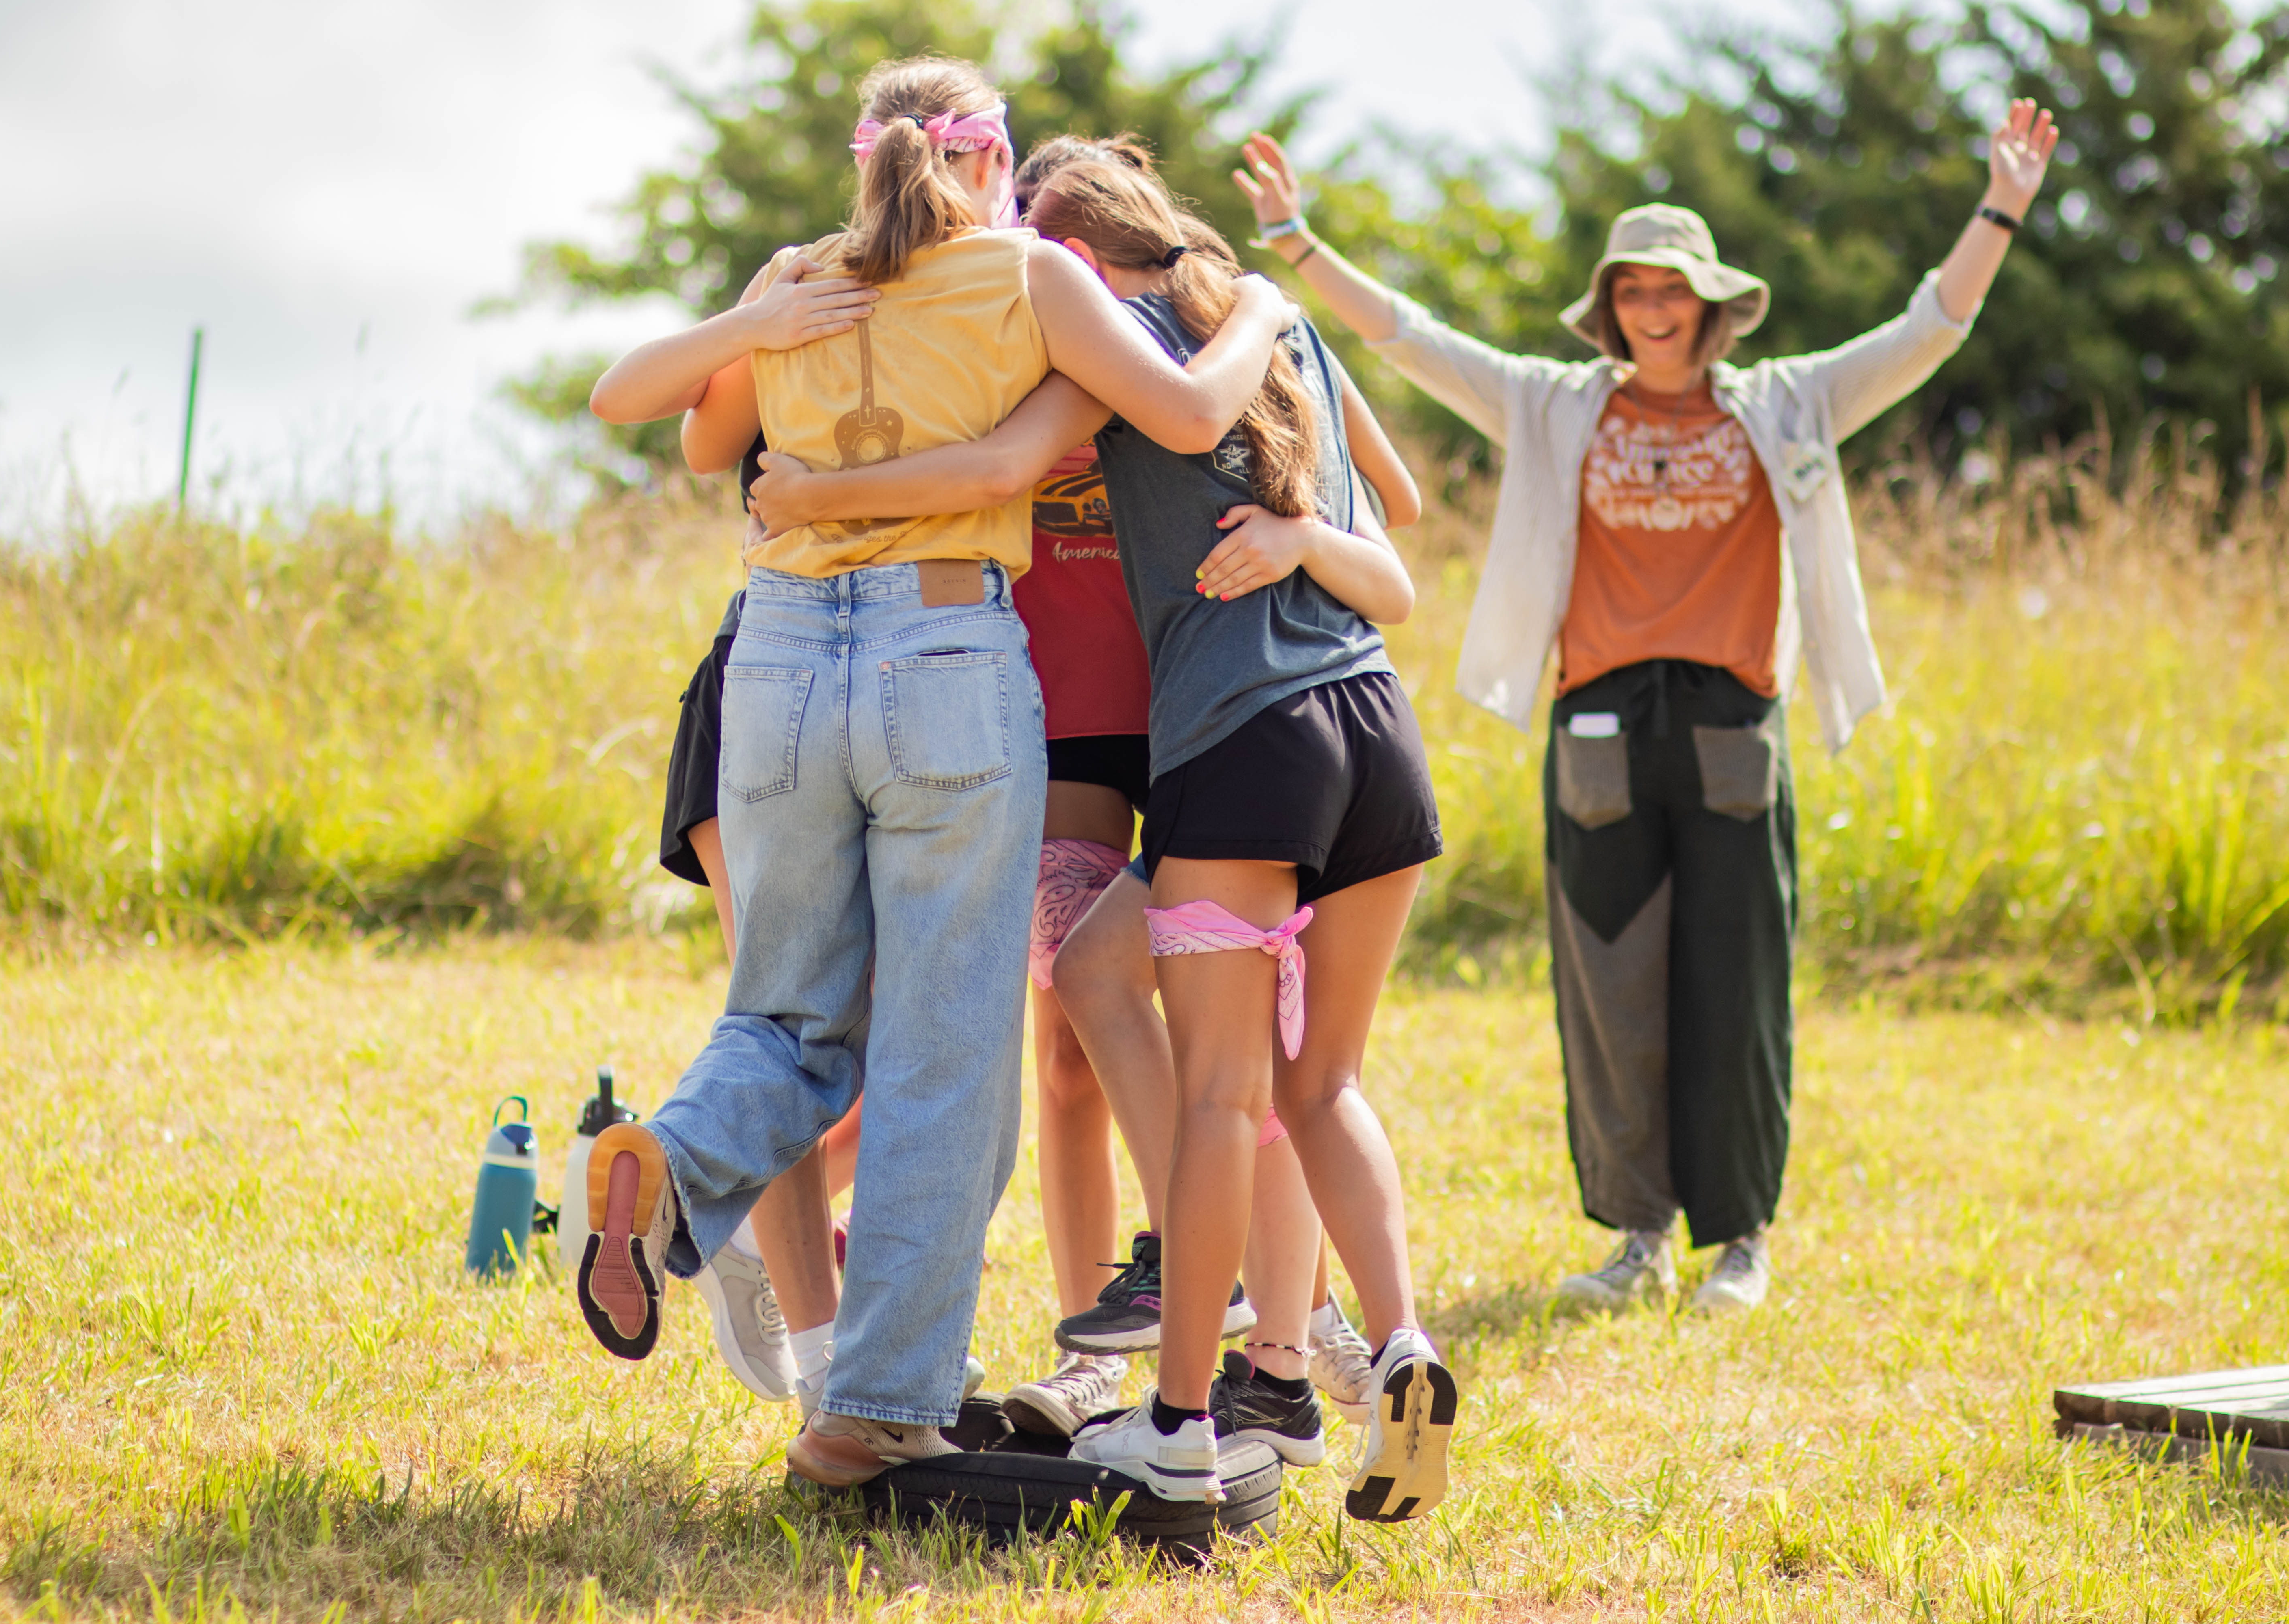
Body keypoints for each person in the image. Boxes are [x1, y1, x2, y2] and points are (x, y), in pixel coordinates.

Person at [574, 53, 1300, 1491]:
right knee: (947, 1052)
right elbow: (1182, 415)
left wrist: (757, 324)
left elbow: (683, 429)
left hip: (778, 664)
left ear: (866, 158)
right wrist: (1268, 302)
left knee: (786, 1014)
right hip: (943, 655)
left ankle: (672, 1161)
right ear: (995, 159)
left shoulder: (801, 277)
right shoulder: (1029, 274)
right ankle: (874, 1410)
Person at [1227, 101, 2061, 1315]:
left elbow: (1928, 330)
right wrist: (1296, 240)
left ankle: (1741, 1241)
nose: (1654, 310)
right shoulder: (1555, 402)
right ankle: (1637, 1237)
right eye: (1632, 291)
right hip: (1598, 726)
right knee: (1610, 985)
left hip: (1733, 724)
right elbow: (1411, 337)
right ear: (1609, 307)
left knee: (1739, 980)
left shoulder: (1788, 400)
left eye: (1673, 290)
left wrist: (2002, 207)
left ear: (1713, 304)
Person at [759, 159, 1458, 1519]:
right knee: (1296, 1069)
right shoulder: (1282, 332)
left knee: (1221, 1098)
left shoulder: (1118, 346)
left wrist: (812, 496)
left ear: (1072, 257)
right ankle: (1398, 1351)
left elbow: (1002, 465)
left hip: (1244, 744)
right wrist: (1297, 494)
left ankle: (1186, 1418)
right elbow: (1400, 529)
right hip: (1379, 732)